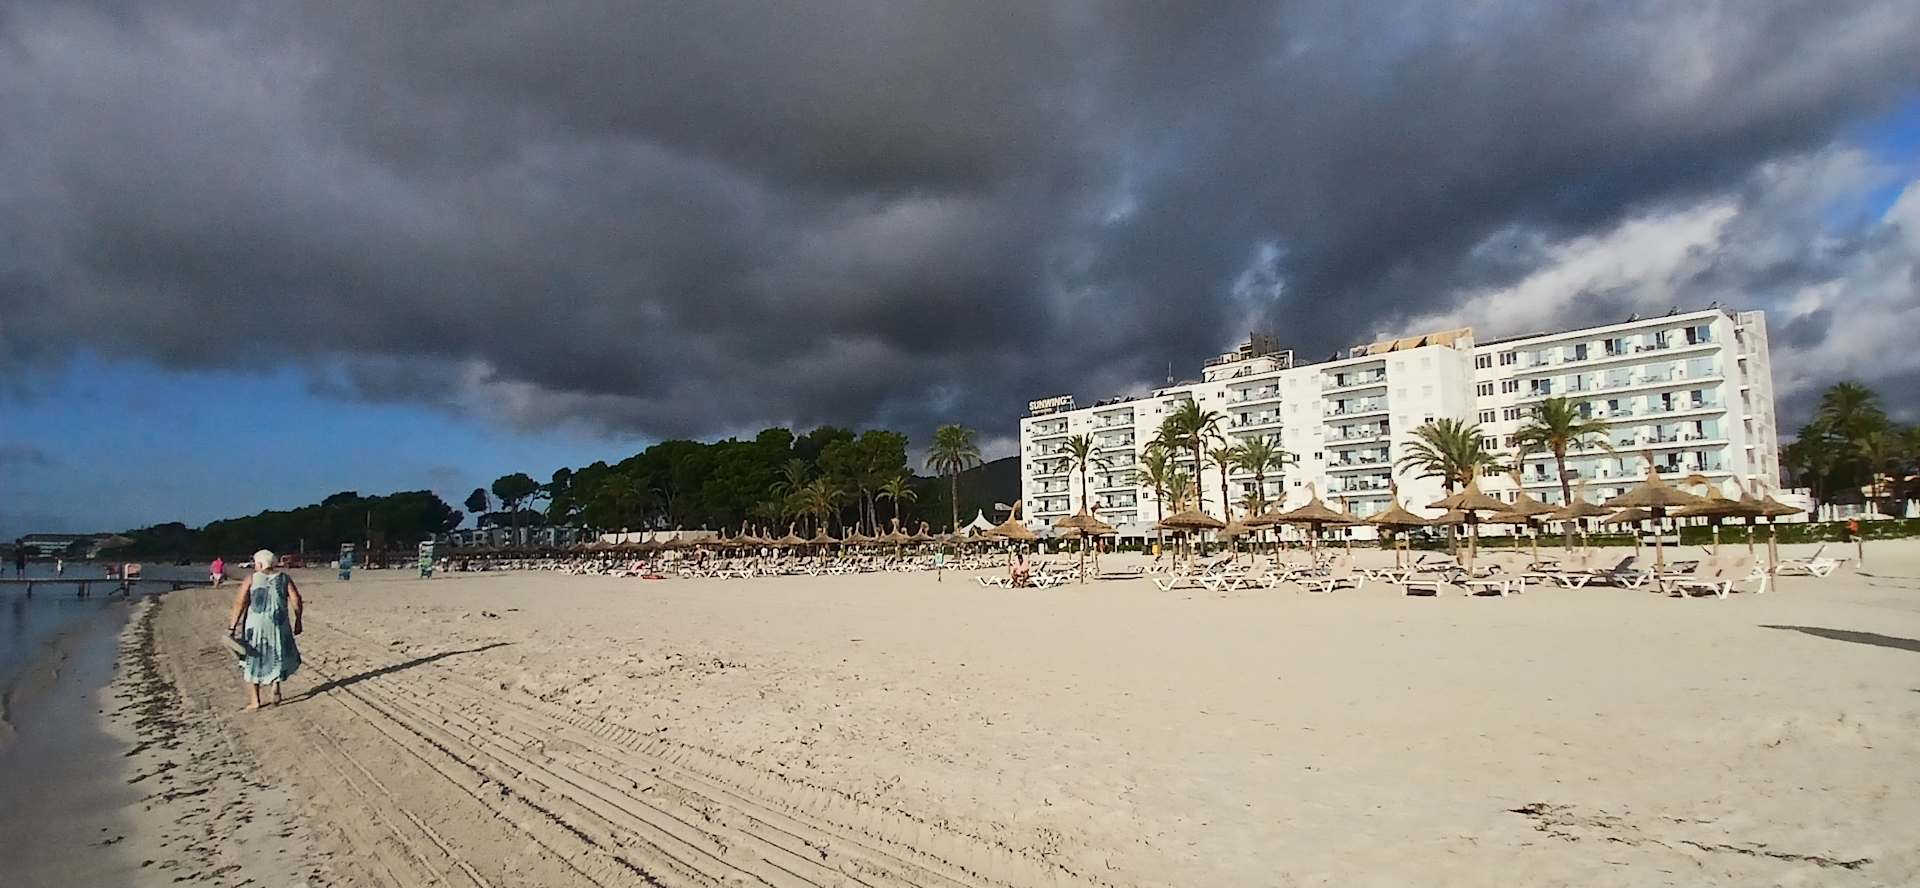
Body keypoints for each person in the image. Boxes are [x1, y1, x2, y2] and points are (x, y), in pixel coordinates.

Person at [226, 549, 302, 711]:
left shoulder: (251, 579)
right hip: (279, 623)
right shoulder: (284, 578)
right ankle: (275, 685)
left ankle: (256, 701)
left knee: (253, 657)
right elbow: (296, 599)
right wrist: (298, 620)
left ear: (260, 564)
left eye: (255, 564)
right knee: (277, 652)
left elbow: (240, 603)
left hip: (256, 624)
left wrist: (232, 627)